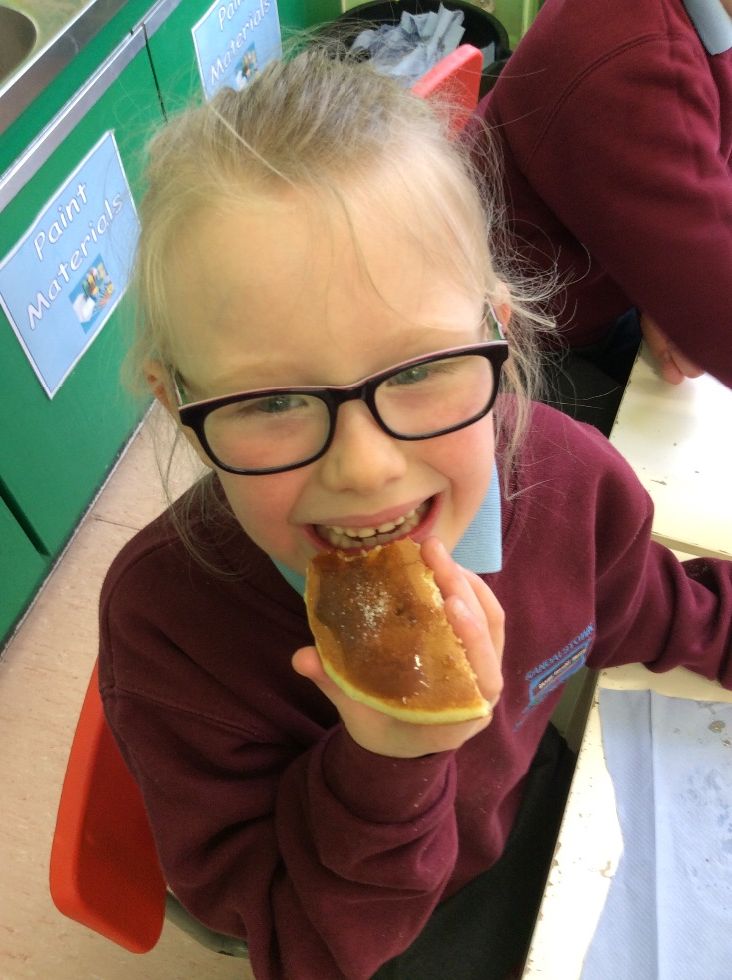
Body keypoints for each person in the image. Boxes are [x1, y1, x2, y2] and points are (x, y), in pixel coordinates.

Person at [98, 48, 732, 980]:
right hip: (361, 905)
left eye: (421, 369)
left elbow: (656, 609)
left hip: (511, 796)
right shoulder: (169, 631)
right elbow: (298, 943)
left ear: (496, 333)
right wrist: (388, 763)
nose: (365, 467)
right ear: (177, 404)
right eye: (273, 400)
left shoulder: (570, 486)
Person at [475, 0, 732, 434]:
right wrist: (682, 287)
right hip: (512, 344)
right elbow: (716, 309)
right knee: (661, 449)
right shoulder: (635, 56)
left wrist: (668, 286)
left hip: (582, 295)